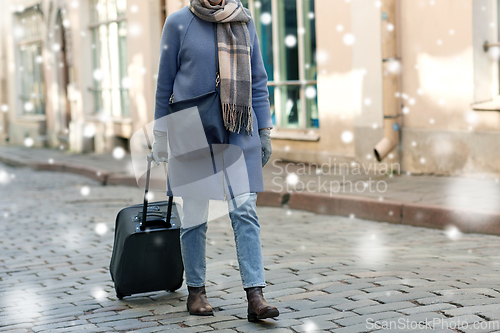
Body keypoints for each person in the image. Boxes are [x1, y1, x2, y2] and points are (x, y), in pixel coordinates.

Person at [151, 0, 279, 322]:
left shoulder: (244, 21)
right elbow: (164, 83)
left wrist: (264, 130)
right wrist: (161, 135)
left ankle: (255, 295)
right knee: (194, 212)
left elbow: (259, 80)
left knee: (245, 207)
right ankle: (196, 291)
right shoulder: (178, 22)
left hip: (237, 125)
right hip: (190, 124)